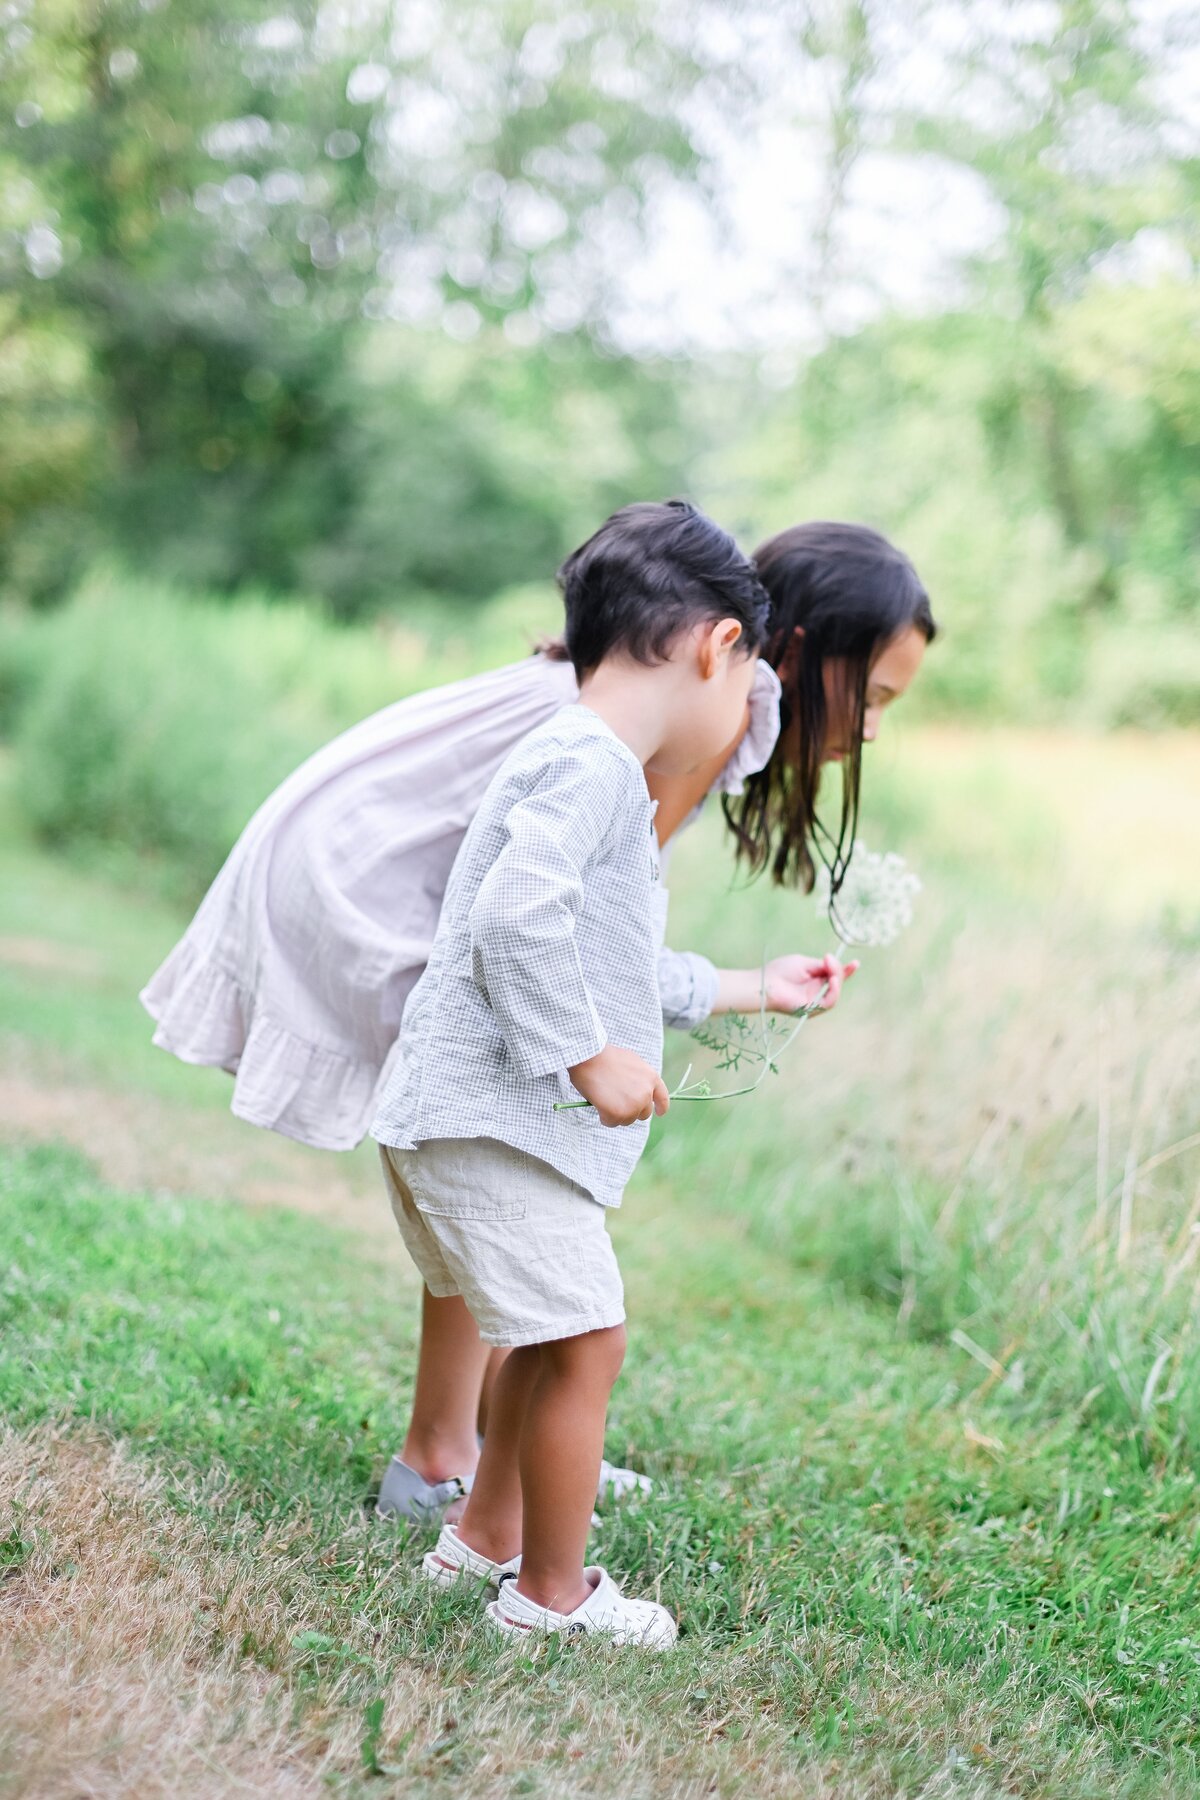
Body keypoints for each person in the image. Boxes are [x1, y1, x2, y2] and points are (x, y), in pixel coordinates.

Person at [140, 516, 936, 1518]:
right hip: (368, 869)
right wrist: (601, 1045)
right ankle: (450, 1456)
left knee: (496, 1145)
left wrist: (746, 986)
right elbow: (562, 934)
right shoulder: (708, 715)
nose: (868, 730)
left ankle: (500, 1446)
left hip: (341, 836)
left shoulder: (649, 685)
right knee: (502, 1140)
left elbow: (589, 938)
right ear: (790, 652)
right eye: (875, 696)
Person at [372, 500, 772, 1644]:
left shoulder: (580, 759)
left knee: (552, 1335)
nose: (745, 716)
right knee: (586, 1338)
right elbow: (516, 913)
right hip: (488, 1119)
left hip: (468, 1117)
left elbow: (610, 955)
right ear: (716, 648)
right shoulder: (594, 764)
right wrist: (584, 1053)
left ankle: (482, 1541)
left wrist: (751, 986)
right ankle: (551, 1596)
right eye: (751, 687)